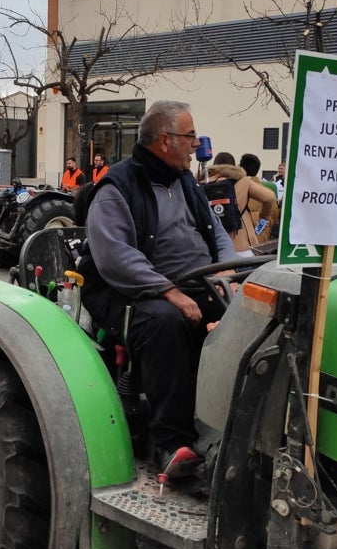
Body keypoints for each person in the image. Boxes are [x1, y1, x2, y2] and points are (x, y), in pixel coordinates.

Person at [80, 100, 237, 481]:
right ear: (166, 140)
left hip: (197, 282)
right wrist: (169, 291)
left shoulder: (187, 183)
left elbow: (217, 235)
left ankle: (229, 431)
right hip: (130, 292)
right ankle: (171, 442)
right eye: (190, 136)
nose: (196, 144)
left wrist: (229, 274)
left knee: (253, 316)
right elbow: (115, 257)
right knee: (165, 323)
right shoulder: (117, 187)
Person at [239, 153, 279, 243]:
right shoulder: (269, 194)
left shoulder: (237, 192)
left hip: (241, 245)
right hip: (262, 245)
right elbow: (274, 217)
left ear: (241, 169)